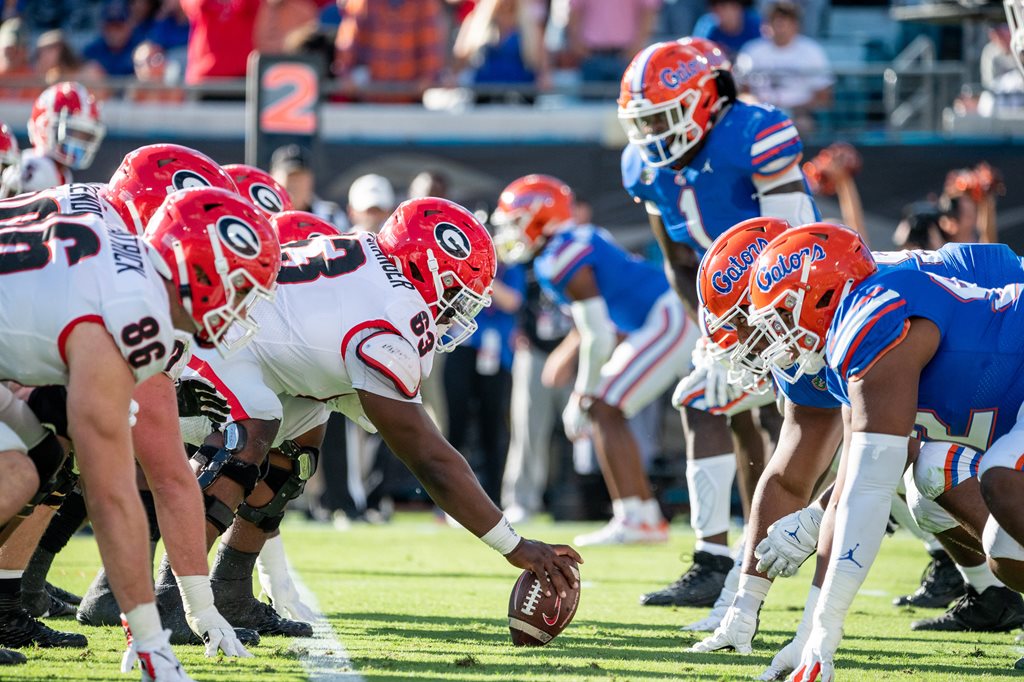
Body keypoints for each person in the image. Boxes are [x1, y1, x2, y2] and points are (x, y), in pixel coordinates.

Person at [152, 197, 583, 636]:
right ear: (423, 269)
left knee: (299, 447)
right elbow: (429, 459)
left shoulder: (369, 258)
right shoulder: (395, 316)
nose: (455, 312)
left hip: (239, 350)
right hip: (196, 350)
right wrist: (514, 545)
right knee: (249, 435)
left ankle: (230, 591)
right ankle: (170, 599)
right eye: (454, 294)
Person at [703, 224, 1024, 677]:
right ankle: (993, 596)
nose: (758, 335)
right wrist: (800, 628)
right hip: (999, 391)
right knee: (979, 522)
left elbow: (872, 480)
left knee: (1000, 484)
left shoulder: (872, 316)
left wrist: (824, 632)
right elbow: (854, 479)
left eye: (764, 318)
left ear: (813, 295)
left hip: (1007, 376)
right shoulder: (840, 335)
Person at [0, 185, 280, 679]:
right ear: (199, 268)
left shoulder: (126, 265)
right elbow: (112, 494)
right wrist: (149, 635)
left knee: (40, 455)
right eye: (239, 288)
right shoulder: (137, 310)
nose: (240, 308)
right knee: (20, 471)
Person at [618, 40, 817, 610]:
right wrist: (714, 334)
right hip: (733, 313)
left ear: (705, 99)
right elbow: (680, 262)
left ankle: (966, 567)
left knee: (859, 437)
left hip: (804, 304)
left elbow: (793, 244)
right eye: (643, 121)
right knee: (709, 400)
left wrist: (762, 332)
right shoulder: (645, 165)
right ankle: (714, 559)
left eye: (662, 116)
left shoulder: (754, 132)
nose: (652, 133)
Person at [495, 174, 695, 545]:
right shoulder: (572, 242)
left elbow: (598, 334)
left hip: (667, 318)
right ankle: (640, 515)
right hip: (658, 319)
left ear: (542, 217)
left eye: (516, 222)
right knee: (605, 407)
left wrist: (579, 394)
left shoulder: (561, 255)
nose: (511, 233)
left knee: (602, 404)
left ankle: (637, 517)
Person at [734, 1, 833, 132]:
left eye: (786, 21)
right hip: (759, 115)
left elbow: (824, 97)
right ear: (767, 24)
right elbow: (742, 92)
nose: (781, 27)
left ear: (796, 25)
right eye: (776, 21)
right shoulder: (751, 50)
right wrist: (759, 108)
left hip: (800, 115)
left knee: (803, 125)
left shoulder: (812, 51)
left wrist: (794, 109)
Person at [333, 0, 447, 103]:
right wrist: (346, 75)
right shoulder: (361, 3)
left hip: (410, 100)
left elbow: (431, 48)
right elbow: (348, 44)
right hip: (370, 99)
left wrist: (427, 78)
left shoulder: (424, 4)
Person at [5, 82, 106, 195]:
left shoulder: (61, 174)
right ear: (44, 127)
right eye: (72, 132)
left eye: (84, 135)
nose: (79, 141)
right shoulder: (35, 171)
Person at [453, 0, 549, 103]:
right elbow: (460, 59)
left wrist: (544, 77)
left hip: (520, 99)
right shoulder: (475, 21)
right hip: (483, 98)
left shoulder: (530, 25)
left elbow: (543, 67)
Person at [269, 145, 345, 226]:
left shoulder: (331, 216)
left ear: (311, 178)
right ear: (272, 176)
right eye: (290, 176)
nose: (296, 183)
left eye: (301, 176)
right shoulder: (260, 216)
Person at [83, 0, 142, 77]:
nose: (113, 32)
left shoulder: (141, 50)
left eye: (118, 26)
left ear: (130, 25)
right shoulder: (91, 52)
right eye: (109, 27)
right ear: (101, 26)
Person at [692, 0, 761, 59]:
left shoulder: (756, 24)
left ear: (737, 7)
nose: (719, 12)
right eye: (715, 7)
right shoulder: (707, 25)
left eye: (723, 6)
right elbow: (697, 54)